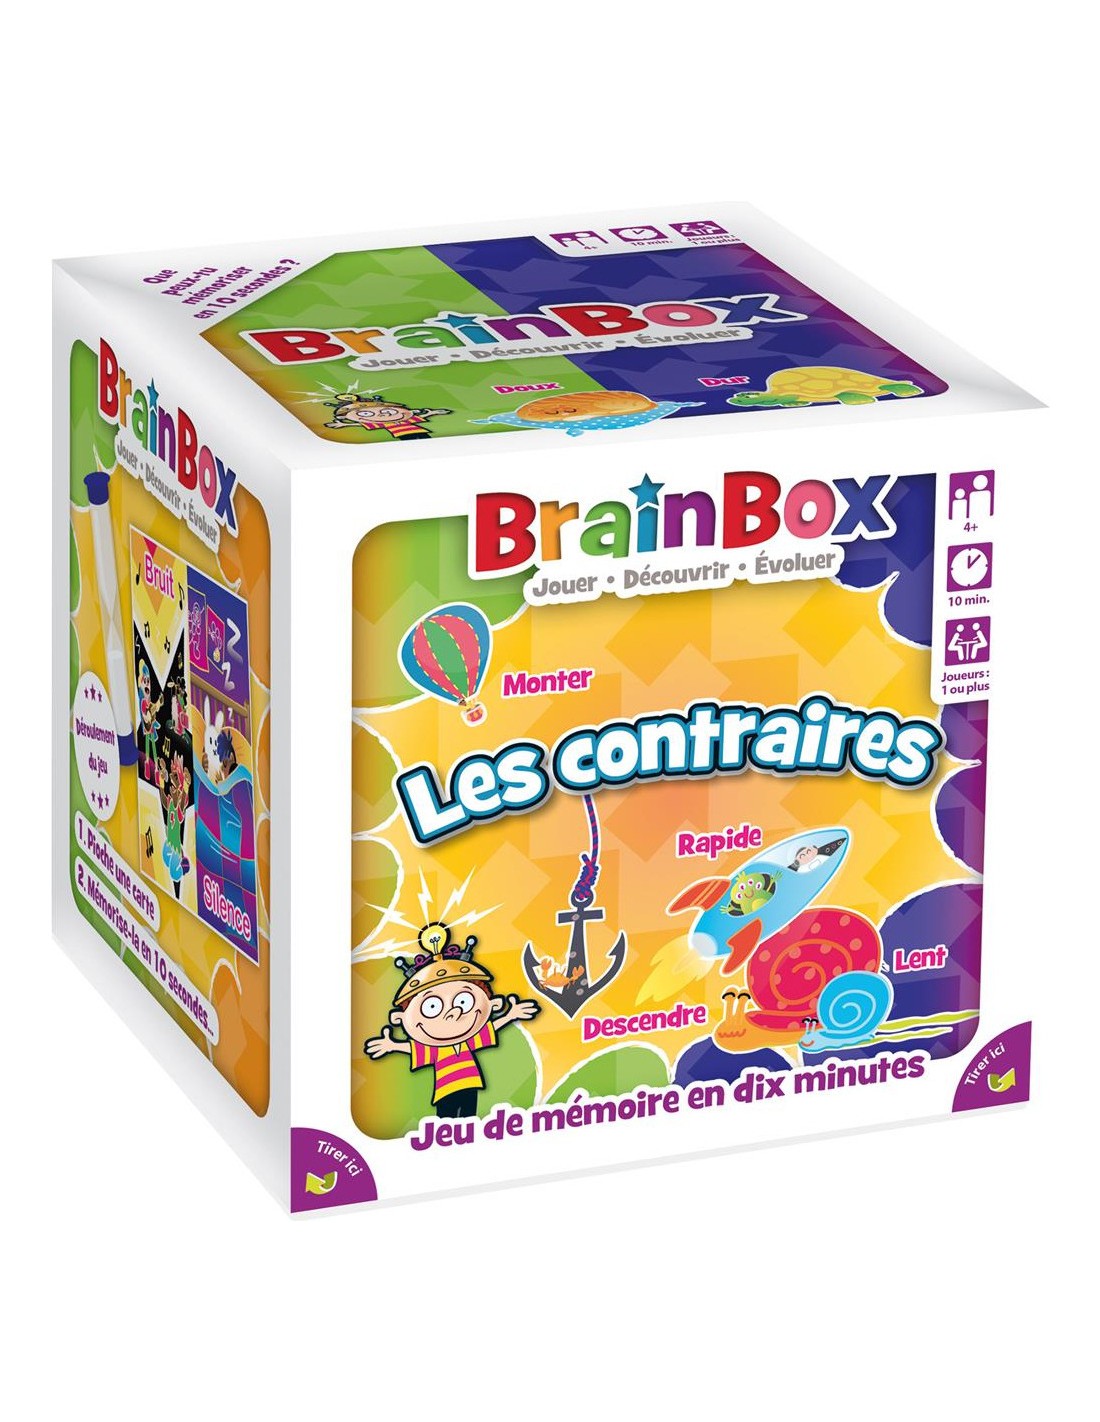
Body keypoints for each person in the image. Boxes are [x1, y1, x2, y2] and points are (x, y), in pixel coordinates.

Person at [364, 925, 539, 1118]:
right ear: (400, 1018)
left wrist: (510, 1015)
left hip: (470, 1086)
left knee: (468, 1118)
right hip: (445, 1091)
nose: (453, 1013)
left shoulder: (468, 1041)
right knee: (445, 1119)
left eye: (464, 1001)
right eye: (432, 1007)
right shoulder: (435, 1049)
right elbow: (414, 1049)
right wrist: (392, 1045)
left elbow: (491, 1027)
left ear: (493, 1004)